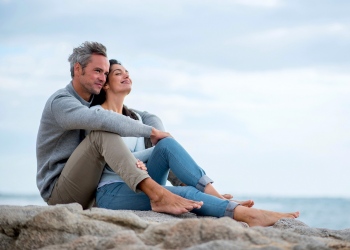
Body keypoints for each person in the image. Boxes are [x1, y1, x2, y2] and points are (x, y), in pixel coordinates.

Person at [90, 59, 300, 227]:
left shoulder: (134, 118)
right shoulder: (98, 115)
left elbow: (136, 161)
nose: (126, 75)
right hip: (113, 192)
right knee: (188, 193)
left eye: (127, 71)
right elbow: (112, 161)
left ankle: (217, 196)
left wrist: (143, 160)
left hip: (141, 183)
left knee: (167, 145)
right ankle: (249, 215)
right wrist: (140, 160)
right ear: (106, 84)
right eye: (119, 73)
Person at [36, 41, 203, 214]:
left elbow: (142, 115)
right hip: (60, 192)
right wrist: (151, 132)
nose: (102, 78)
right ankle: (157, 194)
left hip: (91, 186)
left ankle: (188, 185)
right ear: (78, 69)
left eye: (105, 73)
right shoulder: (61, 103)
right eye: (97, 71)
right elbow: (104, 120)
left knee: (162, 144)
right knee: (102, 135)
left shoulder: (92, 99)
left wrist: (156, 130)